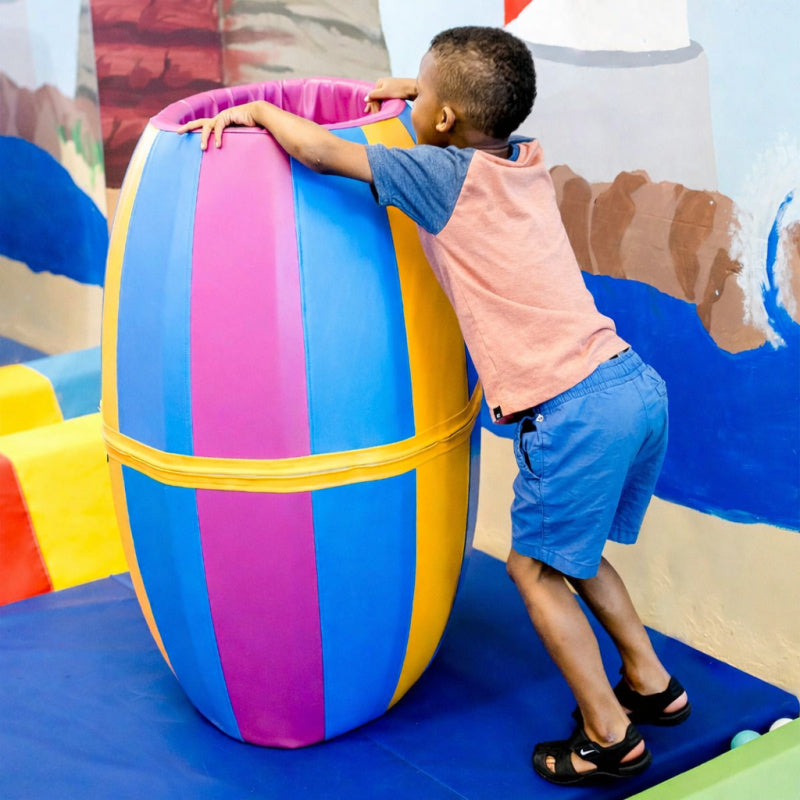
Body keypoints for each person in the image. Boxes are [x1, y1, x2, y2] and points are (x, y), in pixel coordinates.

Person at [178, 25, 690, 786]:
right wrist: (418, 90)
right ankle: (653, 685)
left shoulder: (438, 175)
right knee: (574, 559)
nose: (409, 97)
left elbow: (322, 153)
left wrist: (260, 113)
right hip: (630, 385)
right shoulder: (522, 155)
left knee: (535, 572)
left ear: (446, 120)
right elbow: (461, 102)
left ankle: (610, 736)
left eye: (423, 91)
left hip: (574, 410)